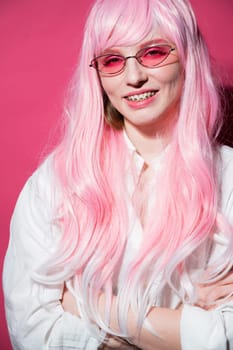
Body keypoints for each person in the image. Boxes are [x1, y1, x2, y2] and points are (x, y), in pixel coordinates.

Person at [3, 0, 233, 349]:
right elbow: (32, 328)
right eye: (111, 60)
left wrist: (92, 308)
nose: (133, 76)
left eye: (153, 52)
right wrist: (182, 329)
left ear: (188, 57)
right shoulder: (56, 182)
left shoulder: (228, 177)